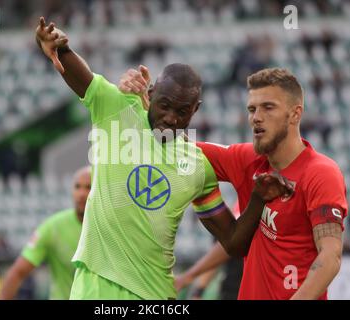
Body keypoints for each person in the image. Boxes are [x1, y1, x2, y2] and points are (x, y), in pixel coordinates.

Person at [35, 17, 292, 300]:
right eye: (164, 105)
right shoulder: (118, 110)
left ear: (196, 110)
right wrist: (58, 47)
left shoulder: (197, 165)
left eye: (182, 111)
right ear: (151, 92)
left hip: (157, 295)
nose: (170, 117)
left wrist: (257, 200)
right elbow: (82, 76)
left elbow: (233, 243)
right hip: (97, 285)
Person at [120, 66, 348, 300]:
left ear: (295, 114)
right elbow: (175, 145)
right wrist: (143, 101)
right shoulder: (246, 160)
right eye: (252, 109)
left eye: (268, 107)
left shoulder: (320, 173)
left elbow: (330, 257)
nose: (256, 117)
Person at [0, 166, 91, 300]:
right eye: (77, 187)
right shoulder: (52, 227)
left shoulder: (111, 228)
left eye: (88, 187)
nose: (82, 193)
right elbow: (17, 272)